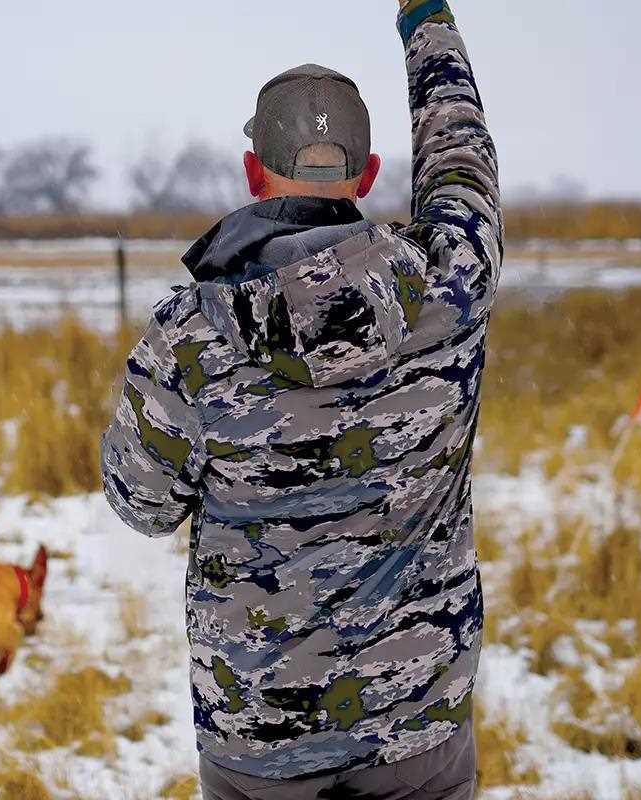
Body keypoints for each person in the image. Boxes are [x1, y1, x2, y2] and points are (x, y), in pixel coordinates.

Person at [100, 0, 500, 797]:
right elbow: (461, 155)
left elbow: (139, 504)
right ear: (369, 175)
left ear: (254, 175)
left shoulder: (190, 338)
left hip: (258, 744)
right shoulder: (451, 287)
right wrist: (426, 17)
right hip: (417, 728)